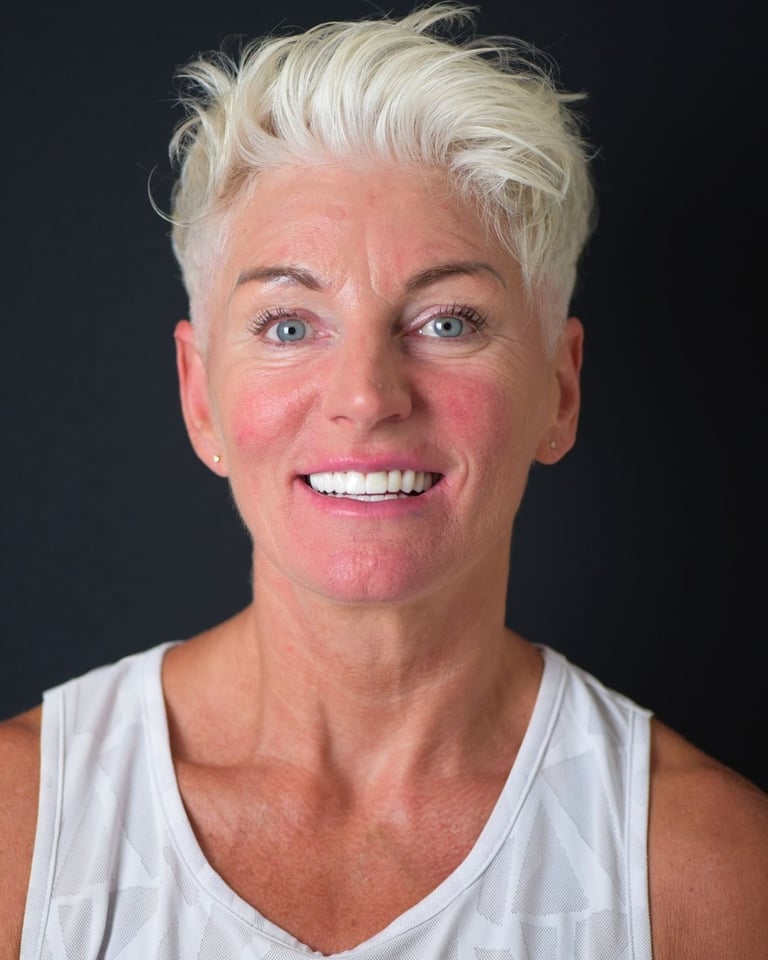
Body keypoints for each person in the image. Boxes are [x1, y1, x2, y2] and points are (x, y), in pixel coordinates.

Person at [1, 3, 766, 958]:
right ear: (200, 397)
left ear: (559, 392)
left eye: (448, 321)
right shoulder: (21, 831)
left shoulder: (715, 874)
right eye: (289, 325)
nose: (366, 397)